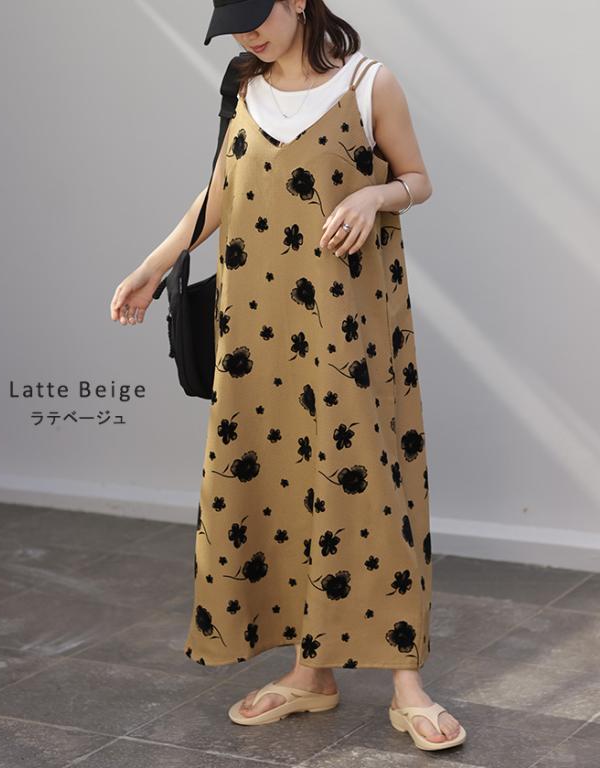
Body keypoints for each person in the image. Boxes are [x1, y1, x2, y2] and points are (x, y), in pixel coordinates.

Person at [110, 0, 466, 752]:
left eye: (257, 13)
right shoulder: (243, 86)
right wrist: (152, 266)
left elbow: (418, 179)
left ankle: (407, 685)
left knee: (369, 483)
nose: (247, 33)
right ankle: (311, 674)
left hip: (349, 327)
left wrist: (374, 194)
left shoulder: (369, 84)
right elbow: (219, 194)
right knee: (279, 480)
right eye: (233, 21)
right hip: (257, 329)